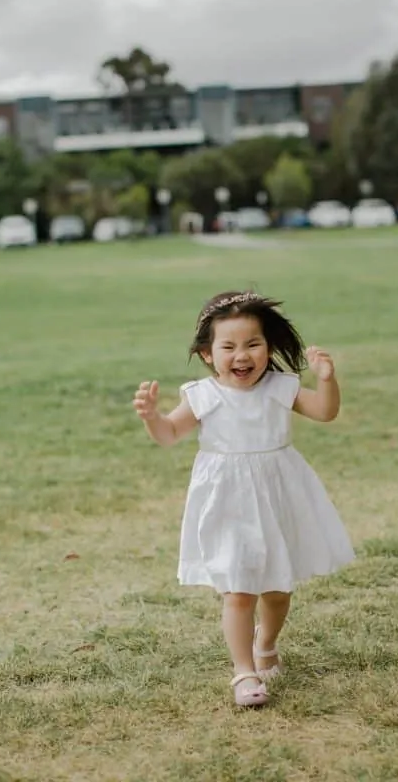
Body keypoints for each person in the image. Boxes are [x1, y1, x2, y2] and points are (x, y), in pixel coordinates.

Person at [131, 291, 355, 708]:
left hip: (279, 491)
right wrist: (152, 417)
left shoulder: (279, 387)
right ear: (206, 354)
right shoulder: (203, 395)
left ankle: (265, 644)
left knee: (277, 588)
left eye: (253, 344)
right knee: (239, 588)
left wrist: (326, 379)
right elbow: (168, 435)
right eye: (228, 346)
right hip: (229, 499)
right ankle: (243, 671)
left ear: (268, 347)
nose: (242, 355)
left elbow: (325, 412)